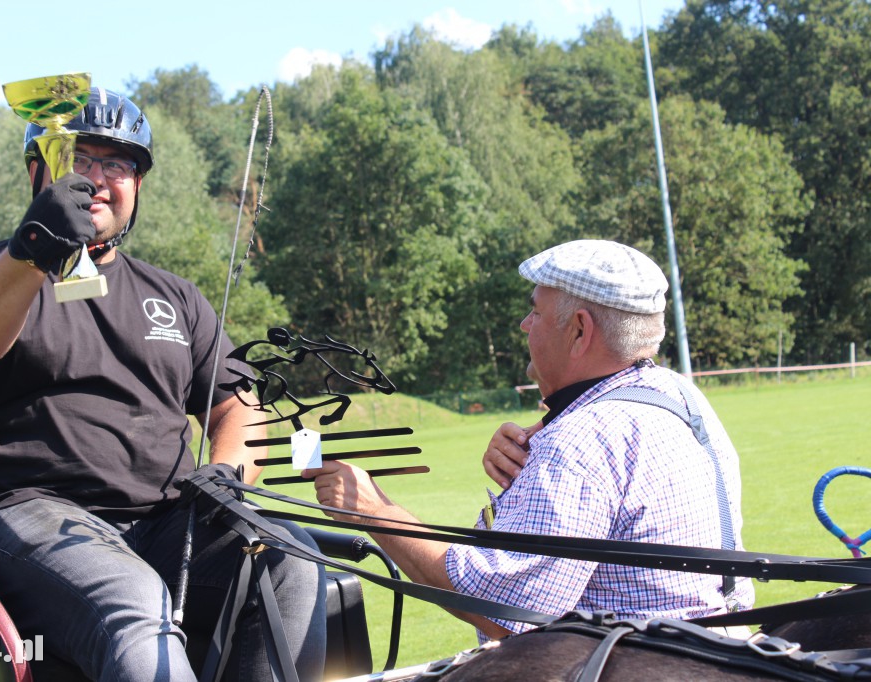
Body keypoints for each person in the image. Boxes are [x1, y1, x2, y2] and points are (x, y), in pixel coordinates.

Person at [0, 87, 325, 682]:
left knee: (290, 559)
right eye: (79, 161)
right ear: (39, 170)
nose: (99, 179)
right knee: (132, 601)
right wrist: (32, 254)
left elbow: (240, 402)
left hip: (164, 523)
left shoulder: (175, 297)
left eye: (119, 164)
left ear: (138, 184)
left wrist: (230, 473)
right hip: (18, 516)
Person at [305, 239, 754, 643]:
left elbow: (506, 610)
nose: (524, 324)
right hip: (717, 652)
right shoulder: (678, 395)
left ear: (579, 330)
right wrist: (534, 455)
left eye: (536, 311)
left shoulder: (583, 439)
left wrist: (374, 512)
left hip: (640, 666)